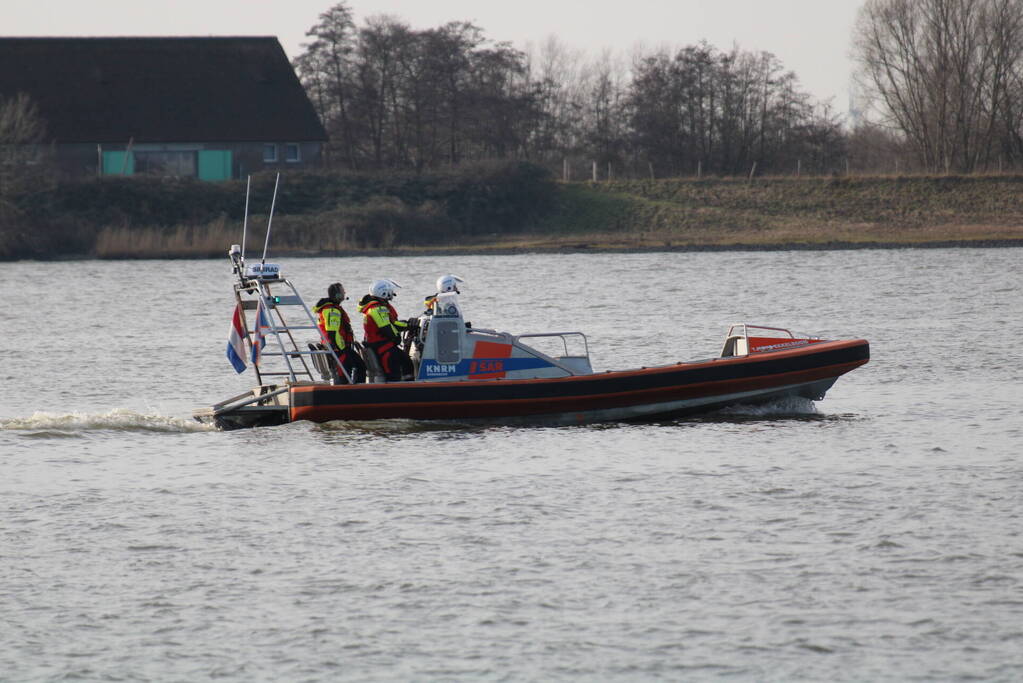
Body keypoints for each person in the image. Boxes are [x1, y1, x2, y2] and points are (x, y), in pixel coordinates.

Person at [358, 279, 415, 381]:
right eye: (390, 291)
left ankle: (408, 384)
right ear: (383, 292)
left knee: (407, 361)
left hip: (383, 346)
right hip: (382, 348)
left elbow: (392, 324)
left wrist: (408, 325)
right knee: (396, 368)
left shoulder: (378, 308)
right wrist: (398, 335)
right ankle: (399, 388)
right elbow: (387, 328)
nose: (392, 293)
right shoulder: (377, 309)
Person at [312, 282, 366, 384]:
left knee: (360, 366)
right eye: (342, 291)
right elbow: (332, 331)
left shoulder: (331, 308)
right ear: (337, 294)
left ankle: (355, 388)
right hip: (339, 349)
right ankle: (352, 390)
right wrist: (340, 348)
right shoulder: (332, 310)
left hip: (339, 348)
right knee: (355, 369)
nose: (344, 293)